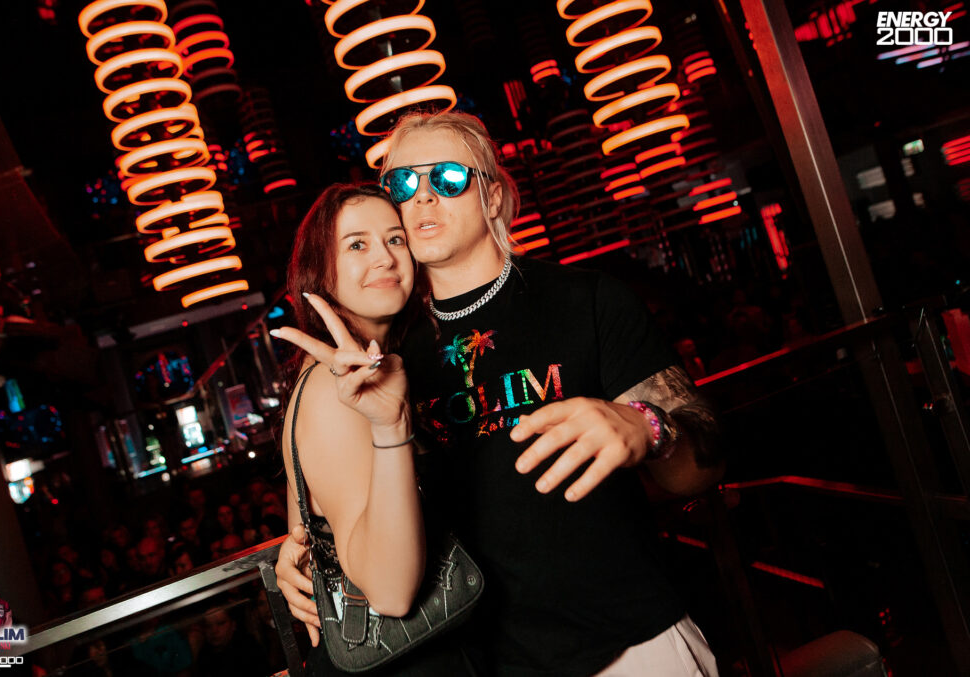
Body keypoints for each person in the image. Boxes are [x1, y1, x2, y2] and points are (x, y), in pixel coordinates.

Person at [277, 111, 724, 676]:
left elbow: (702, 464)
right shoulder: (385, 360)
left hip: (631, 646)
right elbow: (342, 498)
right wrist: (306, 548)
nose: (423, 196)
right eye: (404, 184)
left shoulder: (585, 300)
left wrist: (647, 426)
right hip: (487, 665)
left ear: (491, 197)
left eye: (448, 177)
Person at [272, 183, 477, 675]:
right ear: (321, 272)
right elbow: (390, 593)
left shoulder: (375, 371)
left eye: (395, 239)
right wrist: (390, 427)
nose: (384, 257)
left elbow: (306, 531)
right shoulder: (333, 389)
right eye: (357, 244)